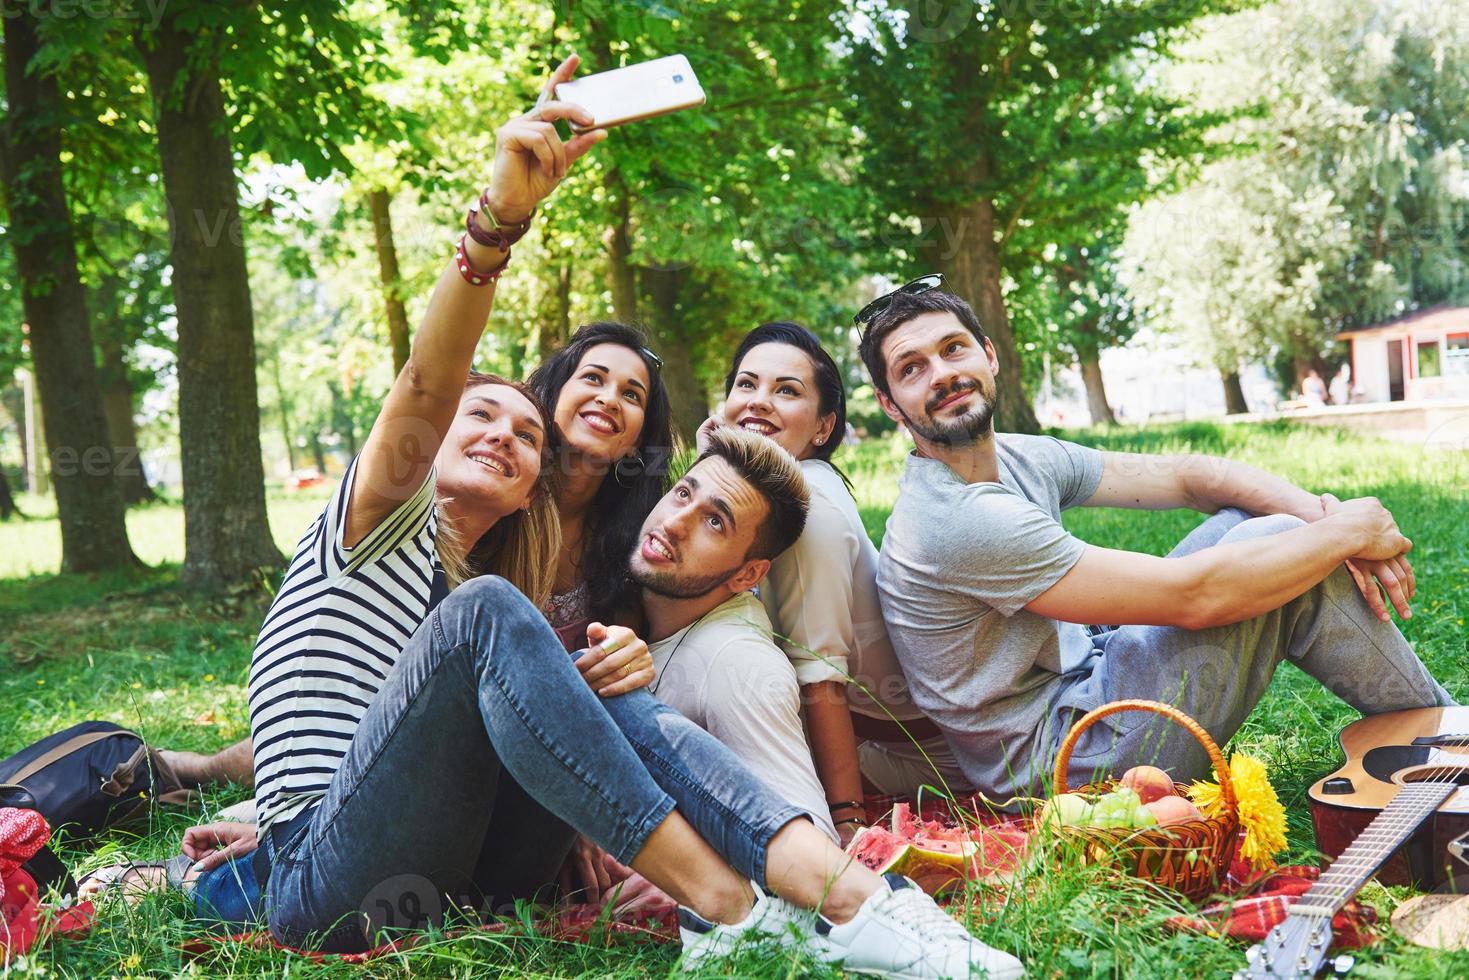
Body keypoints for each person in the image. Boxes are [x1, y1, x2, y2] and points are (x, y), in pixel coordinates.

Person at [98, 65, 1025, 980]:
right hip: (326, 882)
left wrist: (603, 680)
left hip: (464, 872)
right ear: (427, 434)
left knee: (585, 670)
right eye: (480, 415)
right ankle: (738, 911)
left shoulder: (469, 587)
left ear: (537, 483)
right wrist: (497, 223)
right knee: (497, 616)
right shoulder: (373, 524)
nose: (505, 436)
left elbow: (413, 740)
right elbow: (428, 376)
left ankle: (861, 903)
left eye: (525, 435)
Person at [855, 275, 1454, 802]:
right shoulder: (954, 519)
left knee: (1260, 531)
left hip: (1092, 688)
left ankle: (1443, 734)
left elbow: (1192, 479)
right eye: (913, 369)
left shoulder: (1018, 457)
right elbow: (1194, 597)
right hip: (1066, 767)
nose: (943, 374)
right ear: (889, 403)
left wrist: (1325, 520)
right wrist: (1349, 530)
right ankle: (1451, 740)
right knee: (1277, 541)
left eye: (953, 349)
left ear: (988, 354)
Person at [707, 323, 965, 829]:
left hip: (914, 756)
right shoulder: (771, 494)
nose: (758, 402)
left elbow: (822, 677)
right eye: (746, 384)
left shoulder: (809, 509)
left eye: (786, 390)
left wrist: (846, 816)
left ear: (823, 428)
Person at [627, 425, 837, 842]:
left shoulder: (737, 662)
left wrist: (696, 884)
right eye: (684, 494)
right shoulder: (643, 605)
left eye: (714, 522)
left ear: (748, 574)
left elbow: (815, 841)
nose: (674, 523)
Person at [527, 321, 674, 650]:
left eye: (631, 395)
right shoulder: (497, 498)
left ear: (637, 441)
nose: (609, 400)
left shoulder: (632, 542)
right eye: (593, 378)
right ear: (554, 394)